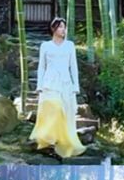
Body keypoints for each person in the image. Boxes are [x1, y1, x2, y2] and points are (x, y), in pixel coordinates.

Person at [30, 17, 85, 159]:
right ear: (53, 29)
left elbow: (73, 66)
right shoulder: (45, 46)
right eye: (60, 27)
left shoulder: (70, 46)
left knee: (65, 111)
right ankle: (49, 138)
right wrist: (39, 85)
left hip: (65, 82)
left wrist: (75, 85)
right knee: (53, 107)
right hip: (50, 82)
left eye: (64, 27)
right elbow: (41, 66)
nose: (63, 30)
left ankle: (61, 140)